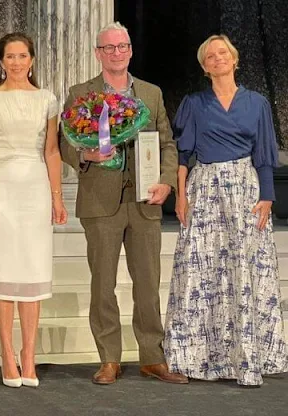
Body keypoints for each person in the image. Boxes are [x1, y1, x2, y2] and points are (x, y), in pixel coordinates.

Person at [60, 22, 187, 385]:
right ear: (98, 53)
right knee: (103, 284)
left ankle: (152, 357)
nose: (117, 53)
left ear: (130, 50)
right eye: (109, 48)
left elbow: (166, 142)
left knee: (148, 282)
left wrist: (165, 182)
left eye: (122, 46)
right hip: (100, 201)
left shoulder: (151, 93)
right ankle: (109, 359)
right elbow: (66, 143)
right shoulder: (80, 92)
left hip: (146, 200)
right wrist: (87, 155)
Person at [164, 34, 288, 386]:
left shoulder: (257, 103)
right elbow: (183, 154)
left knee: (246, 267)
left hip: (246, 190)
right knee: (201, 271)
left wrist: (267, 197)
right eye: (210, 56)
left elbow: (265, 154)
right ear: (204, 67)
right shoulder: (194, 103)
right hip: (204, 189)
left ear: (234, 60)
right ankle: (197, 354)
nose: (217, 59)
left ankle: (248, 354)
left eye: (223, 53)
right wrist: (182, 196)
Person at [0, 32, 67, 388]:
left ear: (31, 60)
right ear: (1, 61)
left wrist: (57, 198)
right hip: (0, 189)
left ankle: (29, 356)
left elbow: (52, 151)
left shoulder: (47, 99)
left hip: (36, 189)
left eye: (22, 55)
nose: (16, 62)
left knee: (31, 272)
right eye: (9, 56)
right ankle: (7, 356)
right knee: (3, 271)